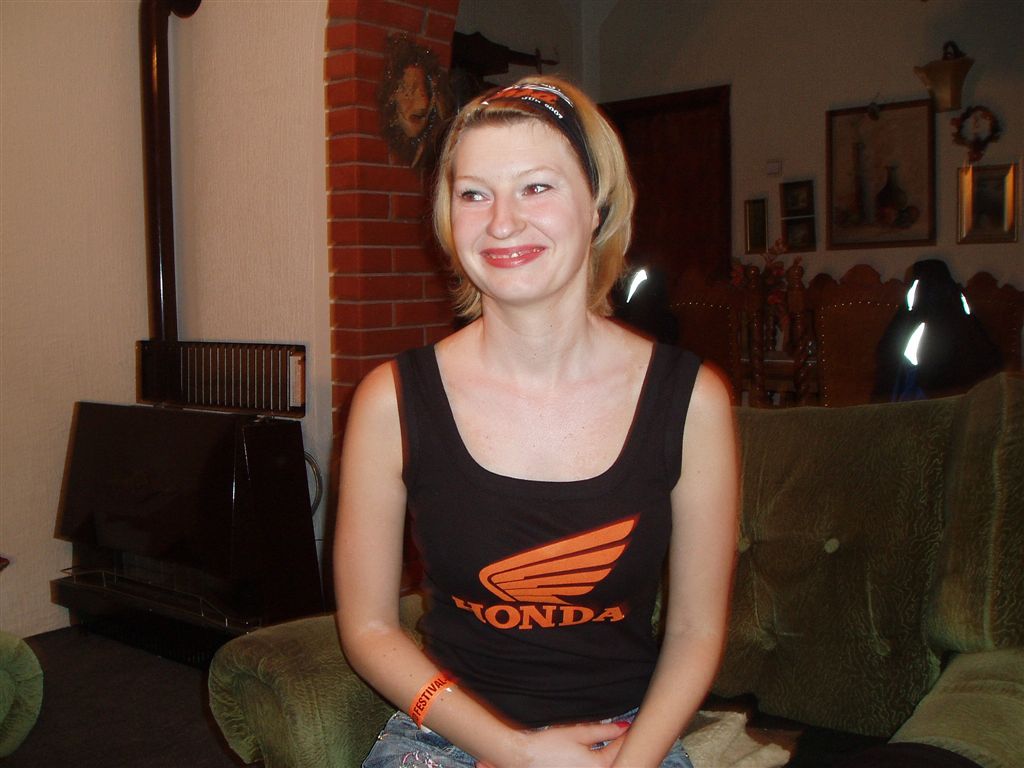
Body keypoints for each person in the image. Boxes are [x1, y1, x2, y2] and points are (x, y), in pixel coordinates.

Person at [335, 75, 738, 768]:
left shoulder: (692, 399)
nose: (501, 222)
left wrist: (632, 762)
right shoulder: (390, 400)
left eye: (537, 187)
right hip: (449, 735)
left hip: (624, 739)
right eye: (474, 194)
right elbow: (369, 628)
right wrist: (513, 752)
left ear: (598, 205)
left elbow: (696, 631)